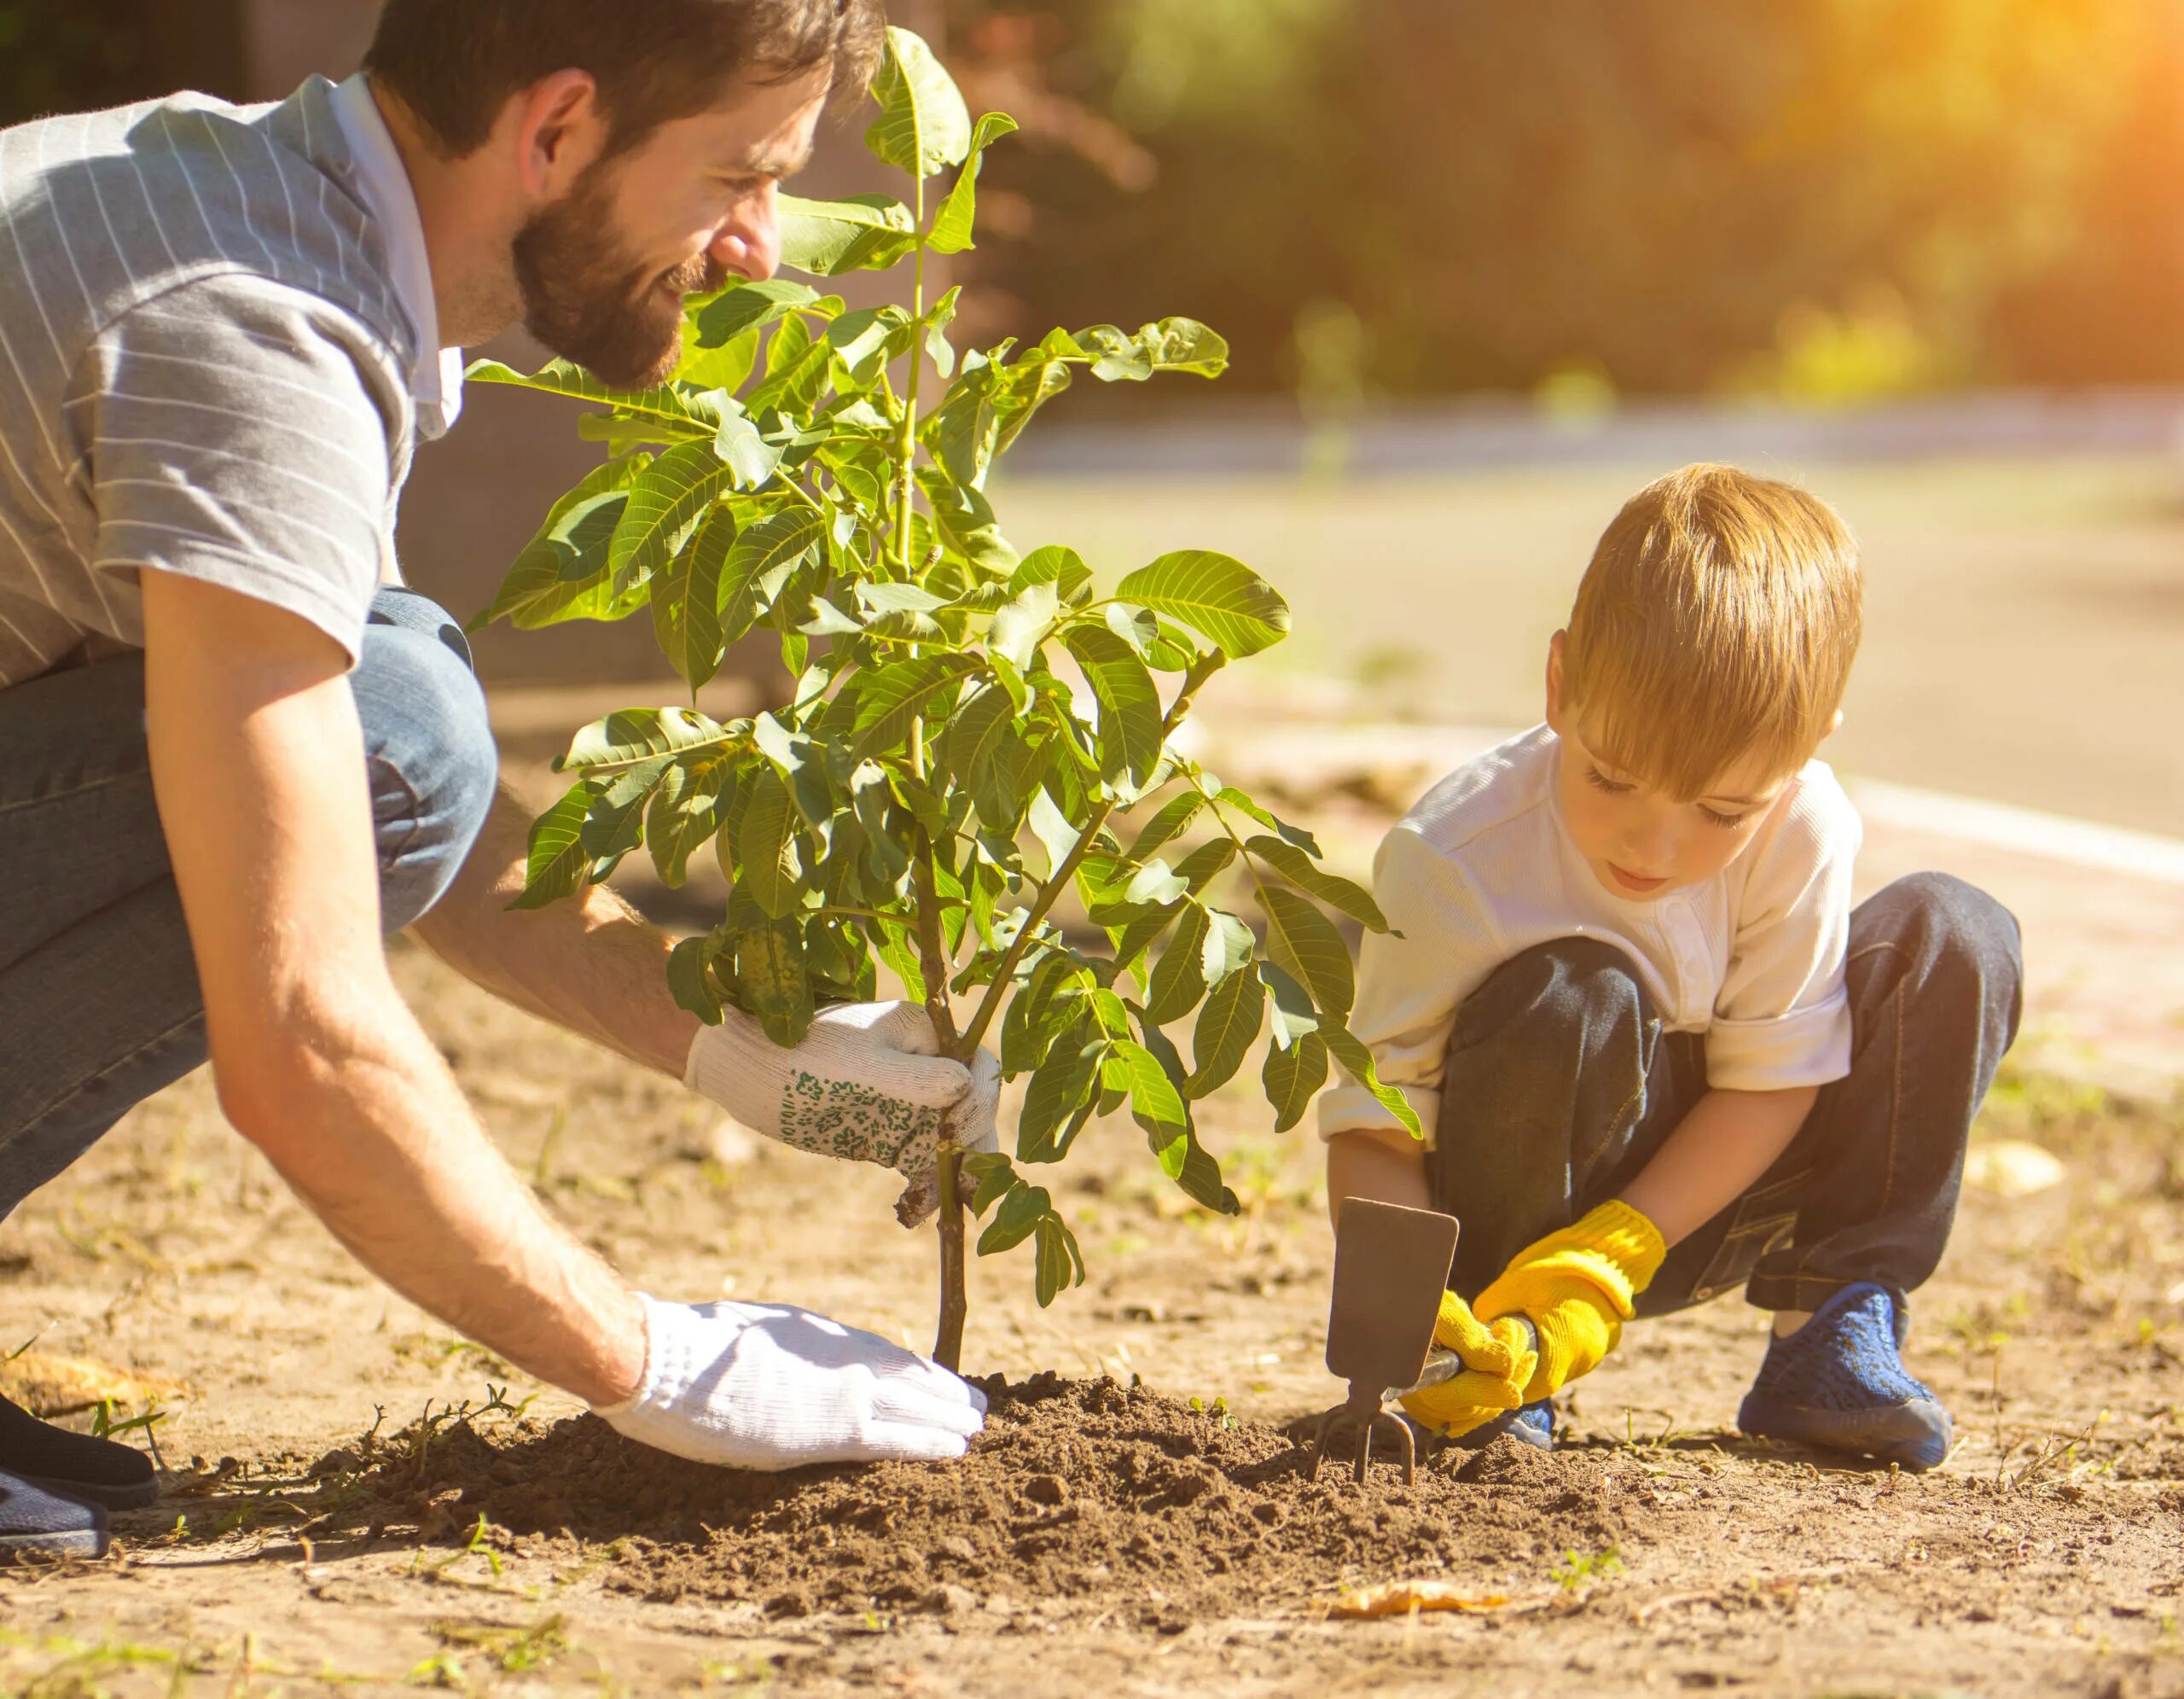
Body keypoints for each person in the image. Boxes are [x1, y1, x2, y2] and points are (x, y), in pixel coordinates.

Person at [0, 0, 999, 1563]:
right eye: (736, 177)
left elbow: (341, 806)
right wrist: (658, 1363)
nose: (759, 248)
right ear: (555, 128)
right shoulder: (256, 332)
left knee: (392, 695)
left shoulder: (259, 207)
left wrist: (731, 1041)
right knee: (408, 711)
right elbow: (304, 1037)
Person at [1322, 463, 2023, 1471]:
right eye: (1609, 776)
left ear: (1805, 749)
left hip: (1700, 1203)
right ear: (1559, 686)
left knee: (1954, 931)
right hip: (1518, 1236)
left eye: (1722, 811)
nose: (1654, 845)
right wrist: (1415, 1311)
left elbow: (1770, 1078)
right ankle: (1497, 1373)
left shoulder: (1804, 822)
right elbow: (1377, 1116)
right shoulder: (1457, 857)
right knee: (1574, 990)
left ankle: (1824, 1333)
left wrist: (1617, 1248)